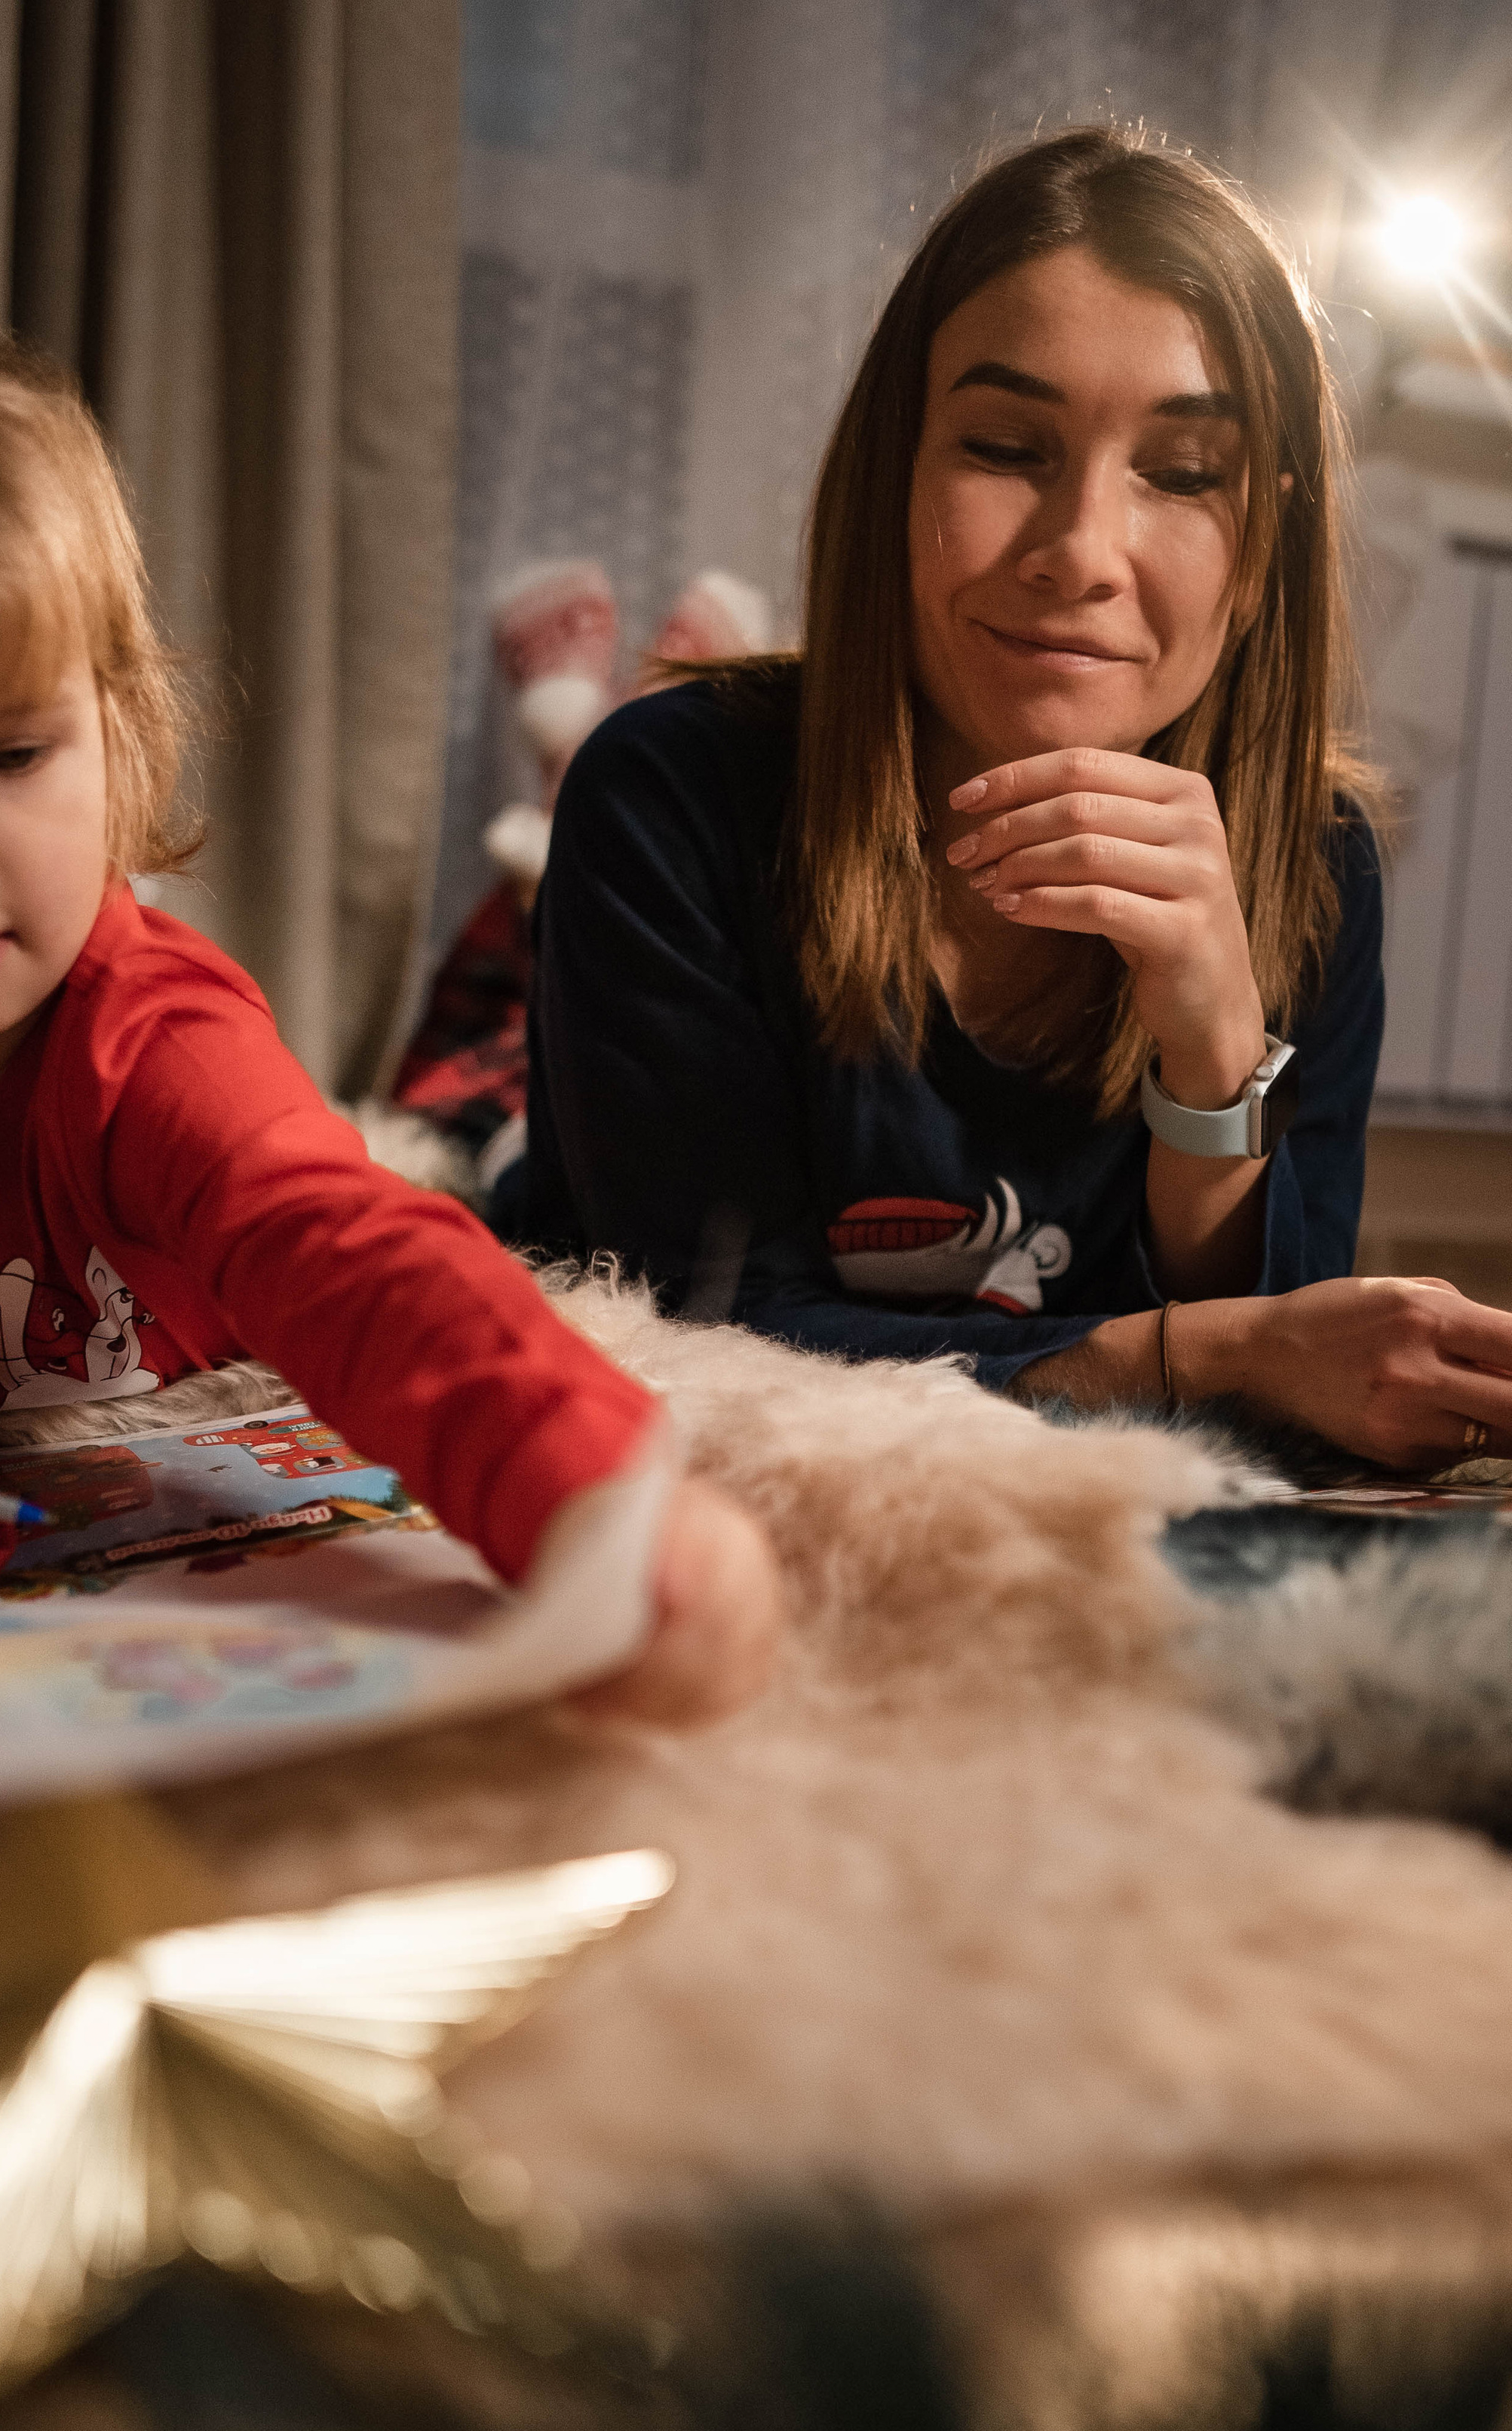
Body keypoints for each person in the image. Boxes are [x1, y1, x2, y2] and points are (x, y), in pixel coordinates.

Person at [0, 301, 779, 1724]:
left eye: (9, 753)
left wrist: (595, 1500)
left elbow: (360, 1261)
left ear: (117, 728)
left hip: (288, 1282)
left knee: (478, 1119)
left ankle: (585, 762)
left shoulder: (153, 1034)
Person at [524, 127, 1512, 1469]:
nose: (1082, 553)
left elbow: (1286, 1392)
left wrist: (1214, 1050)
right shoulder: (671, 792)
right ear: (896, 475)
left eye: (1182, 473)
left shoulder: (1319, 859)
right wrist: (1186, 1360)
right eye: (1004, 446)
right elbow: (700, 1344)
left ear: (1262, 547)